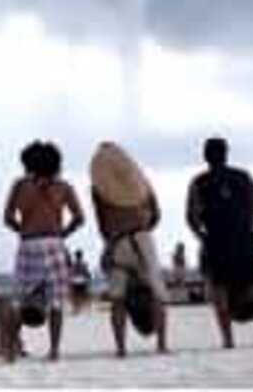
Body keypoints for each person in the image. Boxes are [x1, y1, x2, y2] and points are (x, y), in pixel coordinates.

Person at [185, 137, 253, 349]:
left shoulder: (199, 182)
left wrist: (202, 235)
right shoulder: (244, 177)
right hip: (245, 241)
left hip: (216, 243)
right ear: (227, 154)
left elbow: (192, 217)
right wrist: (242, 222)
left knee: (220, 291)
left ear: (205, 156)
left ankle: (228, 340)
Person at [3, 140, 84, 362]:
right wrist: (62, 234)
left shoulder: (19, 186)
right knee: (56, 301)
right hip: (54, 244)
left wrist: (22, 229)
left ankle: (10, 351)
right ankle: (54, 350)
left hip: (28, 244)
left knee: (19, 299)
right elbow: (79, 218)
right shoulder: (63, 187)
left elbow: (8, 218)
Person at [89, 141, 168, 357]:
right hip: (143, 238)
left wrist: (110, 242)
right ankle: (161, 345)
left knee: (118, 299)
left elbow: (101, 223)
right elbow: (156, 215)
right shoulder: (141, 183)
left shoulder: (99, 188)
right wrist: (141, 225)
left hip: (117, 239)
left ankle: (121, 348)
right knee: (157, 294)